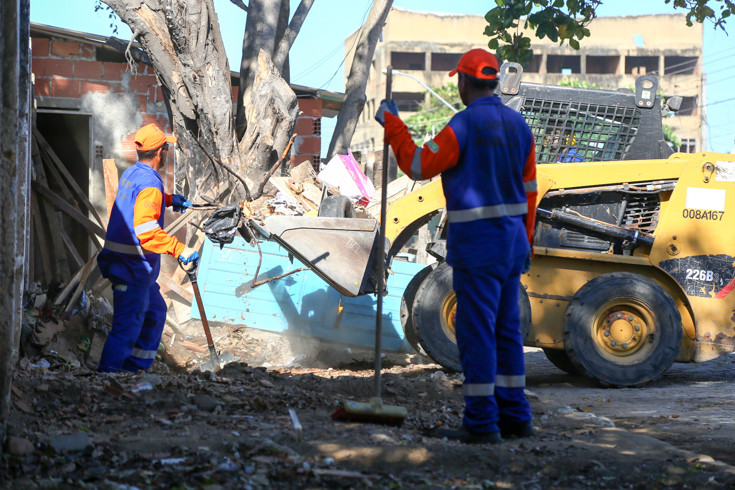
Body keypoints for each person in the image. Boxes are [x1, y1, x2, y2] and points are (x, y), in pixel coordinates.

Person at [376, 49, 538, 444]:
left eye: (459, 81)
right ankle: (516, 418)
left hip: (479, 249)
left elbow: (417, 166)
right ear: (494, 83)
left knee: (476, 334)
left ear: (465, 82)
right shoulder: (520, 127)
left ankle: (482, 424)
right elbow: (531, 193)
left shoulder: (462, 126)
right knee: (506, 332)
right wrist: (526, 242)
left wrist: (393, 124)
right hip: (512, 245)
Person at [97, 123, 199, 373]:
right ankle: (106, 381)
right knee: (126, 328)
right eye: (166, 149)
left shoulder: (133, 173)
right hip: (129, 269)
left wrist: (168, 200)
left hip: (132, 268)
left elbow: (137, 200)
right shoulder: (150, 184)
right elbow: (146, 233)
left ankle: (134, 370)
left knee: (155, 312)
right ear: (160, 152)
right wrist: (180, 250)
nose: (167, 153)